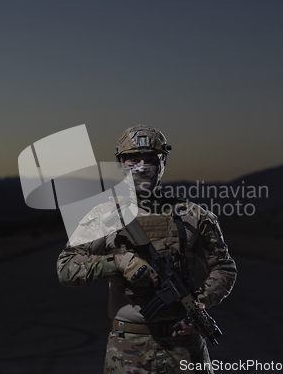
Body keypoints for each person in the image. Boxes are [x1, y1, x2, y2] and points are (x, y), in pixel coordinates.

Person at [56, 125, 237, 374]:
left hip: (184, 347)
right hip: (127, 350)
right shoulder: (103, 216)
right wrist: (119, 262)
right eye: (133, 159)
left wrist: (199, 304)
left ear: (162, 163)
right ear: (121, 164)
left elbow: (224, 268)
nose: (141, 166)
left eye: (150, 159)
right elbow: (66, 268)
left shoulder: (193, 216)